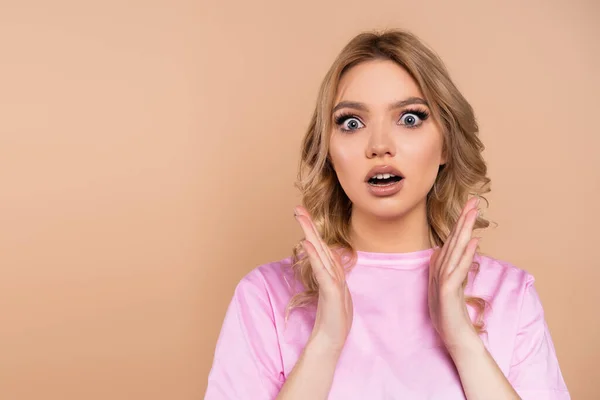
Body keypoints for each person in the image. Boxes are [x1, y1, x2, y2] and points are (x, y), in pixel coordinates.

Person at [204, 29, 570, 399]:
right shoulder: (265, 296)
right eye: (351, 123)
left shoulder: (511, 295)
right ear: (328, 151)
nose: (379, 146)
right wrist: (324, 345)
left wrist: (462, 340)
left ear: (446, 144)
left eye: (410, 118)